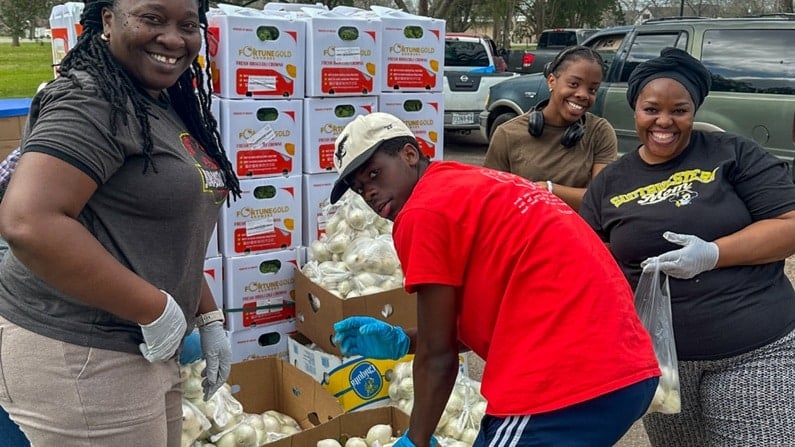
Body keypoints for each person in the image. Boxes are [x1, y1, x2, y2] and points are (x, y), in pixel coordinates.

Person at [328, 112, 661, 447]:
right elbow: (481, 320)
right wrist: (404, 341)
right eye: (359, 188)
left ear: (410, 154)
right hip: (624, 370)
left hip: (563, 385)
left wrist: (416, 438)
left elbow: (439, 356)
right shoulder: (467, 184)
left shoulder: (421, 212)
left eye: (374, 174)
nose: (370, 192)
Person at [0, 0, 242, 445]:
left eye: (187, 24)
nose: (173, 38)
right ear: (108, 20)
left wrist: (206, 315)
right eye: (152, 18)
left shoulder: (159, 100)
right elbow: (29, 221)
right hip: (84, 353)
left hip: (142, 349)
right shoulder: (91, 99)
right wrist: (154, 309)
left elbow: (158, 232)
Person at [579, 47, 795, 446]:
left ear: (694, 110)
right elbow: (587, 265)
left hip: (755, 349)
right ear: (635, 110)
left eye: (679, 110)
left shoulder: (734, 153)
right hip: (663, 364)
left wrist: (713, 254)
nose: (664, 121)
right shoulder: (610, 182)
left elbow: (789, 225)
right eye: (651, 109)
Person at [484, 45, 617, 211]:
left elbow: (602, 198)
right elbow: (491, 197)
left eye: (592, 89)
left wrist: (548, 190)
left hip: (578, 233)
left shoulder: (599, 132)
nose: (583, 94)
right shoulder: (508, 133)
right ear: (552, 81)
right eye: (574, 84)